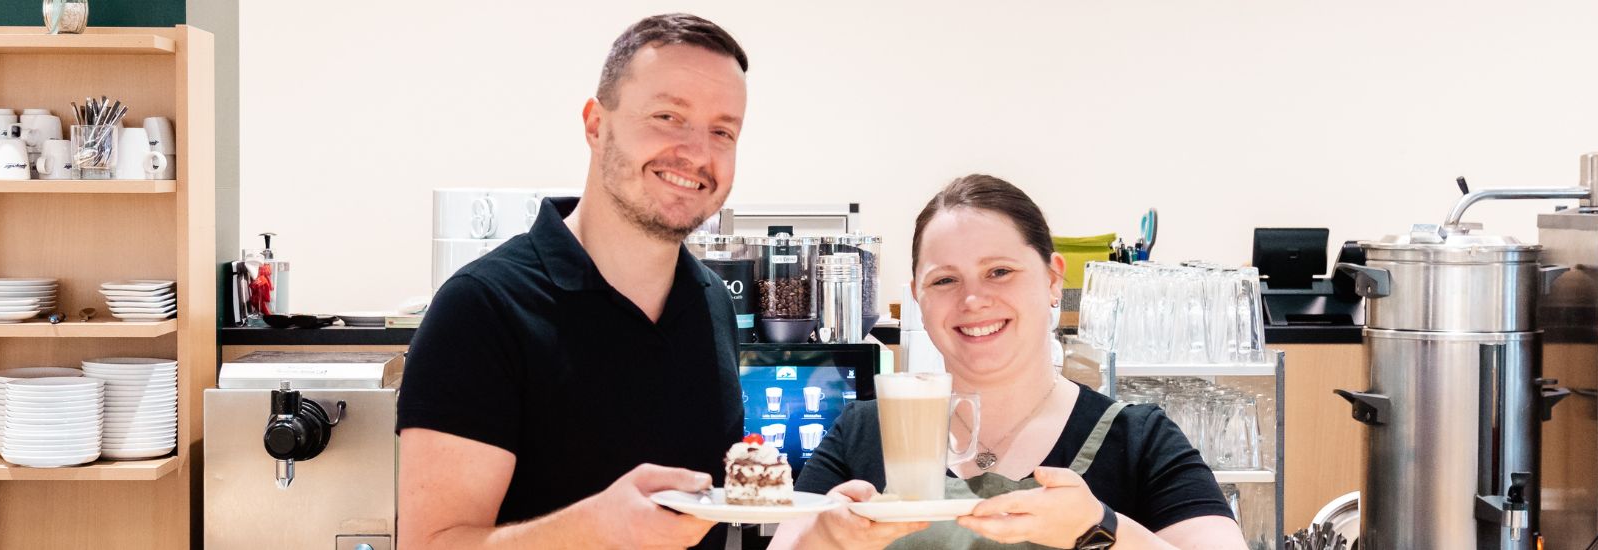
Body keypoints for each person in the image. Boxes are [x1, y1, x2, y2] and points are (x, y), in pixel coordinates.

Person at [395, 14, 750, 550]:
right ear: (596, 125)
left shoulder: (713, 303)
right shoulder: (481, 308)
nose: (698, 152)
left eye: (722, 131)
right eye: (668, 116)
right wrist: (595, 529)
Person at [770, 175, 1247, 549]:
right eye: (944, 281)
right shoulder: (860, 435)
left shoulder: (1139, 441)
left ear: (1053, 278)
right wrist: (825, 538)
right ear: (917, 297)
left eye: (1000, 271)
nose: (973, 299)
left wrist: (1099, 529)